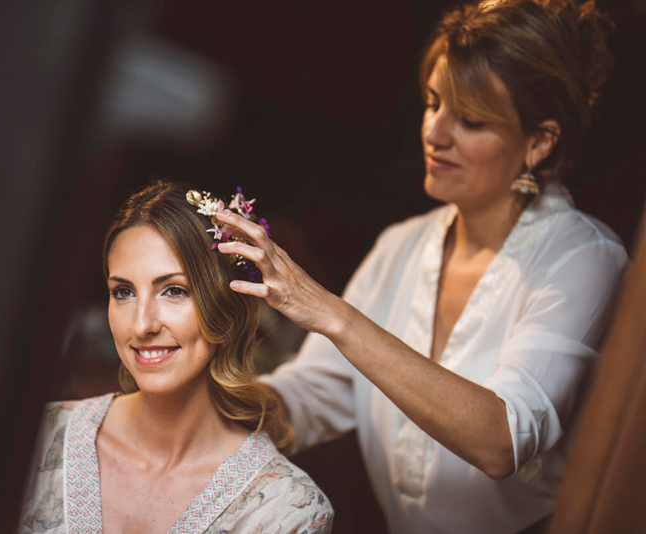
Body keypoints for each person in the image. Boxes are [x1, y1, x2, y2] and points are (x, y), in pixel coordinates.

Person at [212, 1, 627, 532]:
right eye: (434, 103)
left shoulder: (585, 257)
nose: (435, 132)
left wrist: (329, 312)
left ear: (540, 142)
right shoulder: (402, 245)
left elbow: (502, 441)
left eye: (471, 119)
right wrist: (213, 398)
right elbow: (313, 396)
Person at [18, 181, 334, 534]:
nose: (141, 325)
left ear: (227, 307)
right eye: (123, 292)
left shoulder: (284, 509)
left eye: (174, 291)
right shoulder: (33, 440)